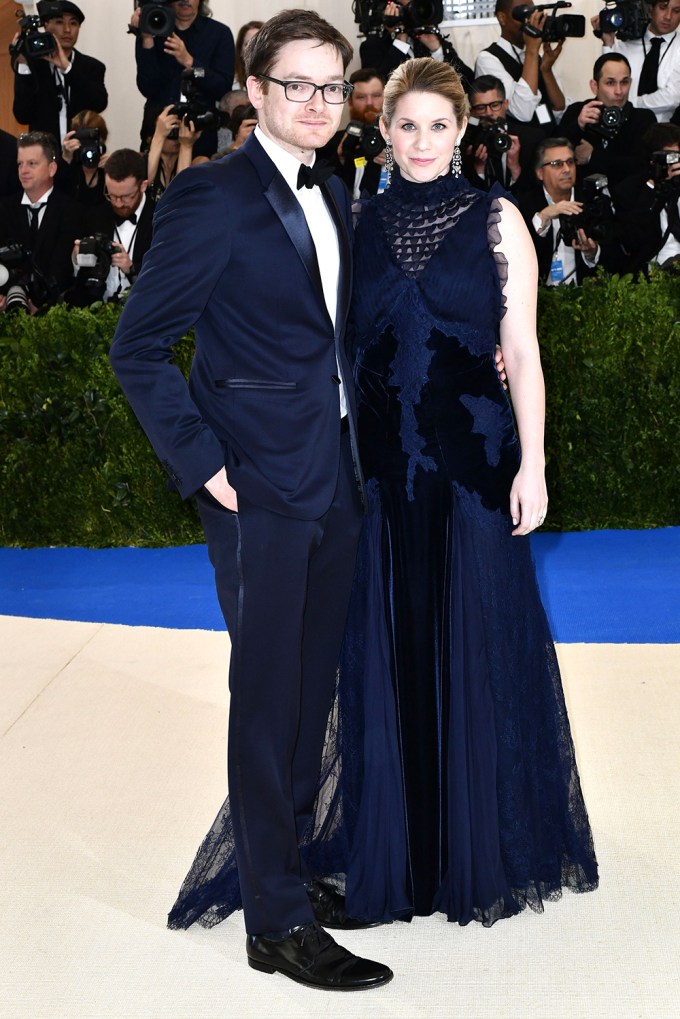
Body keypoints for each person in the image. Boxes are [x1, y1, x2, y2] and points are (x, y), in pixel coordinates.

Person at [109, 8, 392, 992]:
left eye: (331, 85)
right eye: (296, 84)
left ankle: (291, 866)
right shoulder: (208, 196)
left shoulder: (341, 188)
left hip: (335, 480)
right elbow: (137, 347)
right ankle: (272, 920)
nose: (316, 102)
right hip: (256, 487)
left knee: (311, 691)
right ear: (257, 90)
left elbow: (323, 338)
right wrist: (204, 467)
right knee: (268, 698)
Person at [338, 56, 599, 925]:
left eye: (437, 126)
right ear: (383, 129)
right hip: (382, 476)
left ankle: (477, 844)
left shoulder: (499, 218)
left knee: (478, 645)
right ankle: (400, 845)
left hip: (473, 467)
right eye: (405, 125)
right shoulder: (355, 220)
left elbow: (520, 349)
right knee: (394, 645)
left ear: (463, 133)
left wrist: (536, 461)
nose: (420, 142)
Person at [130, 0, 234, 158]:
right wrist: (147, 39)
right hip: (159, 131)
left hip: (200, 135)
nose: (185, 0)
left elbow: (222, 88)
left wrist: (189, 61)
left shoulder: (219, 33)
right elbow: (147, 87)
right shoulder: (153, 27)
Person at [516, 137, 623, 285]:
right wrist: (543, 217)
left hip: (582, 295)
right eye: (557, 164)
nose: (566, 169)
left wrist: (592, 253)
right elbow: (518, 256)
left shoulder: (593, 201)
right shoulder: (524, 204)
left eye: (570, 162)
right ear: (540, 173)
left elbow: (615, 257)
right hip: (539, 298)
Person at [0, 131, 81, 313]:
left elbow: (63, 267)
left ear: (52, 168)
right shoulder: (4, 209)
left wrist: (41, 304)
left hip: (55, 313)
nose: (23, 171)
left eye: (32, 164)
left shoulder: (70, 210)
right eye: (20, 164)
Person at [12, 1, 107, 147]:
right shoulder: (34, 66)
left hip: (80, 155)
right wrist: (24, 64)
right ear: (46, 26)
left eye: (73, 23)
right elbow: (22, 115)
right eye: (59, 22)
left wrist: (68, 68)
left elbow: (99, 103)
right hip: (44, 156)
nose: (67, 29)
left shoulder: (92, 67)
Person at [559, 54, 657, 189]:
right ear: (594, 86)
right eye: (610, 83)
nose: (619, 91)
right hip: (581, 198)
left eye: (624, 82)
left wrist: (592, 157)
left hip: (628, 201)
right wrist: (578, 126)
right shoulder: (577, 112)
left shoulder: (643, 118)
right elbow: (553, 158)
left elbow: (641, 166)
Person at [70, 149, 154, 305]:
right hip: (96, 313)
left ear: (143, 186)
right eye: (112, 195)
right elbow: (77, 283)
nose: (118, 203)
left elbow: (166, 277)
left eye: (126, 197)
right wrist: (77, 258)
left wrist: (131, 268)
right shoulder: (95, 215)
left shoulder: (159, 220)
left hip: (143, 312)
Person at [474, 0, 569, 126]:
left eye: (531, 14)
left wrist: (546, 70)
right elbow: (522, 112)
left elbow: (560, 108)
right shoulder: (487, 59)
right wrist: (532, 50)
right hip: (519, 142)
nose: (528, 21)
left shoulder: (534, 56)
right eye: (523, 13)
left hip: (548, 138)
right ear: (502, 18)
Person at [594, 0, 680, 123]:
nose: (668, 16)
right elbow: (607, 84)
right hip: (622, 127)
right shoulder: (626, 44)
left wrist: (627, 104)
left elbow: (672, 97)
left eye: (676, 11)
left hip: (664, 132)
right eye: (662, 8)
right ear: (651, 8)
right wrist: (608, 43)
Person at [613, 123, 680, 274]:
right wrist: (654, 187)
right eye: (671, 156)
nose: (676, 162)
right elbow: (633, 241)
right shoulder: (629, 190)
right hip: (655, 269)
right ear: (653, 159)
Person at [360, 1, 473, 88]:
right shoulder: (372, 46)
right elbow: (376, 89)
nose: (409, 14)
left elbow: (467, 84)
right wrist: (399, 42)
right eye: (402, 8)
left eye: (414, 7)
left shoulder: (434, 41)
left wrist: (436, 50)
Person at [462, 75, 545, 192]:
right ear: (473, 111)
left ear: (505, 104)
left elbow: (538, 191)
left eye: (495, 105)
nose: (489, 112)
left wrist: (515, 167)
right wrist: (479, 169)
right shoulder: (467, 144)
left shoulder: (532, 138)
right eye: (481, 107)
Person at [318, 67, 387, 199]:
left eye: (376, 95)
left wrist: (401, 162)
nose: (369, 103)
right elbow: (319, 191)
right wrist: (340, 158)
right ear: (350, 101)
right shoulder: (330, 140)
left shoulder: (403, 141)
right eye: (361, 97)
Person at [233, 20, 263, 89]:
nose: (254, 48)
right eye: (248, 44)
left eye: (259, 43)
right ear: (240, 51)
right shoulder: (231, 82)